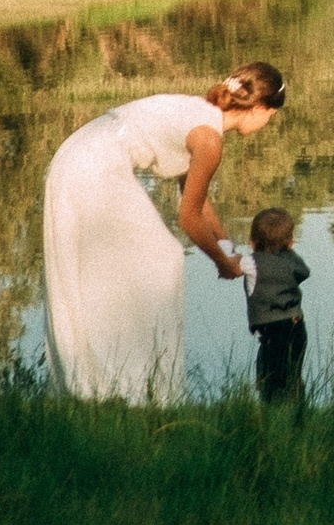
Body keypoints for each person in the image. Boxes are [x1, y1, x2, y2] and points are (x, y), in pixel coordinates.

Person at [41, 61, 286, 400]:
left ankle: (114, 382)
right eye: (271, 115)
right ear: (259, 108)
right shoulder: (209, 139)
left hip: (81, 153)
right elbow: (188, 218)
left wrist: (226, 244)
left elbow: (196, 199)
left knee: (136, 264)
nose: (267, 122)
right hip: (92, 164)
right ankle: (140, 385)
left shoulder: (203, 114)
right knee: (163, 258)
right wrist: (221, 262)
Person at [241, 207, 309, 401]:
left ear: (252, 241)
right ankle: (297, 411)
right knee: (293, 376)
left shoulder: (251, 263)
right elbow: (304, 272)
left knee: (268, 378)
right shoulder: (293, 262)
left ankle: (271, 410)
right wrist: (287, 250)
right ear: (291, 243)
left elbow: (231, 265)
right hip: (297, 328)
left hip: (271, 332)